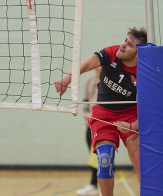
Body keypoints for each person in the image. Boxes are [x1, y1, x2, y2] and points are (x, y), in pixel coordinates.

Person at [55, 27, 147, 196]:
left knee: (140, 159)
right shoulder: (111, 53)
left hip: (131, 115)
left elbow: (150, 110)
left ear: (138, 54)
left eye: (130, 45)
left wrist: (131, 125)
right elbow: (84, 64)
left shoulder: (144, 71)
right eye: (125, 40)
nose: (123, 45)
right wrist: (65, 79)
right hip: (104, 114)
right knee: (104, 160)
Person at [76, 67, 101, 195]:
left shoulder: (107, 80)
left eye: (99, 65)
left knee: (99, 155)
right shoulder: (90, 80)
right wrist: (86, 113)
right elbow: (85, 100)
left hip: (101, 123)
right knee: (93, 156)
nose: (97, 67)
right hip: (90, 124)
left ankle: (95, 184)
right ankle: (94, 185)